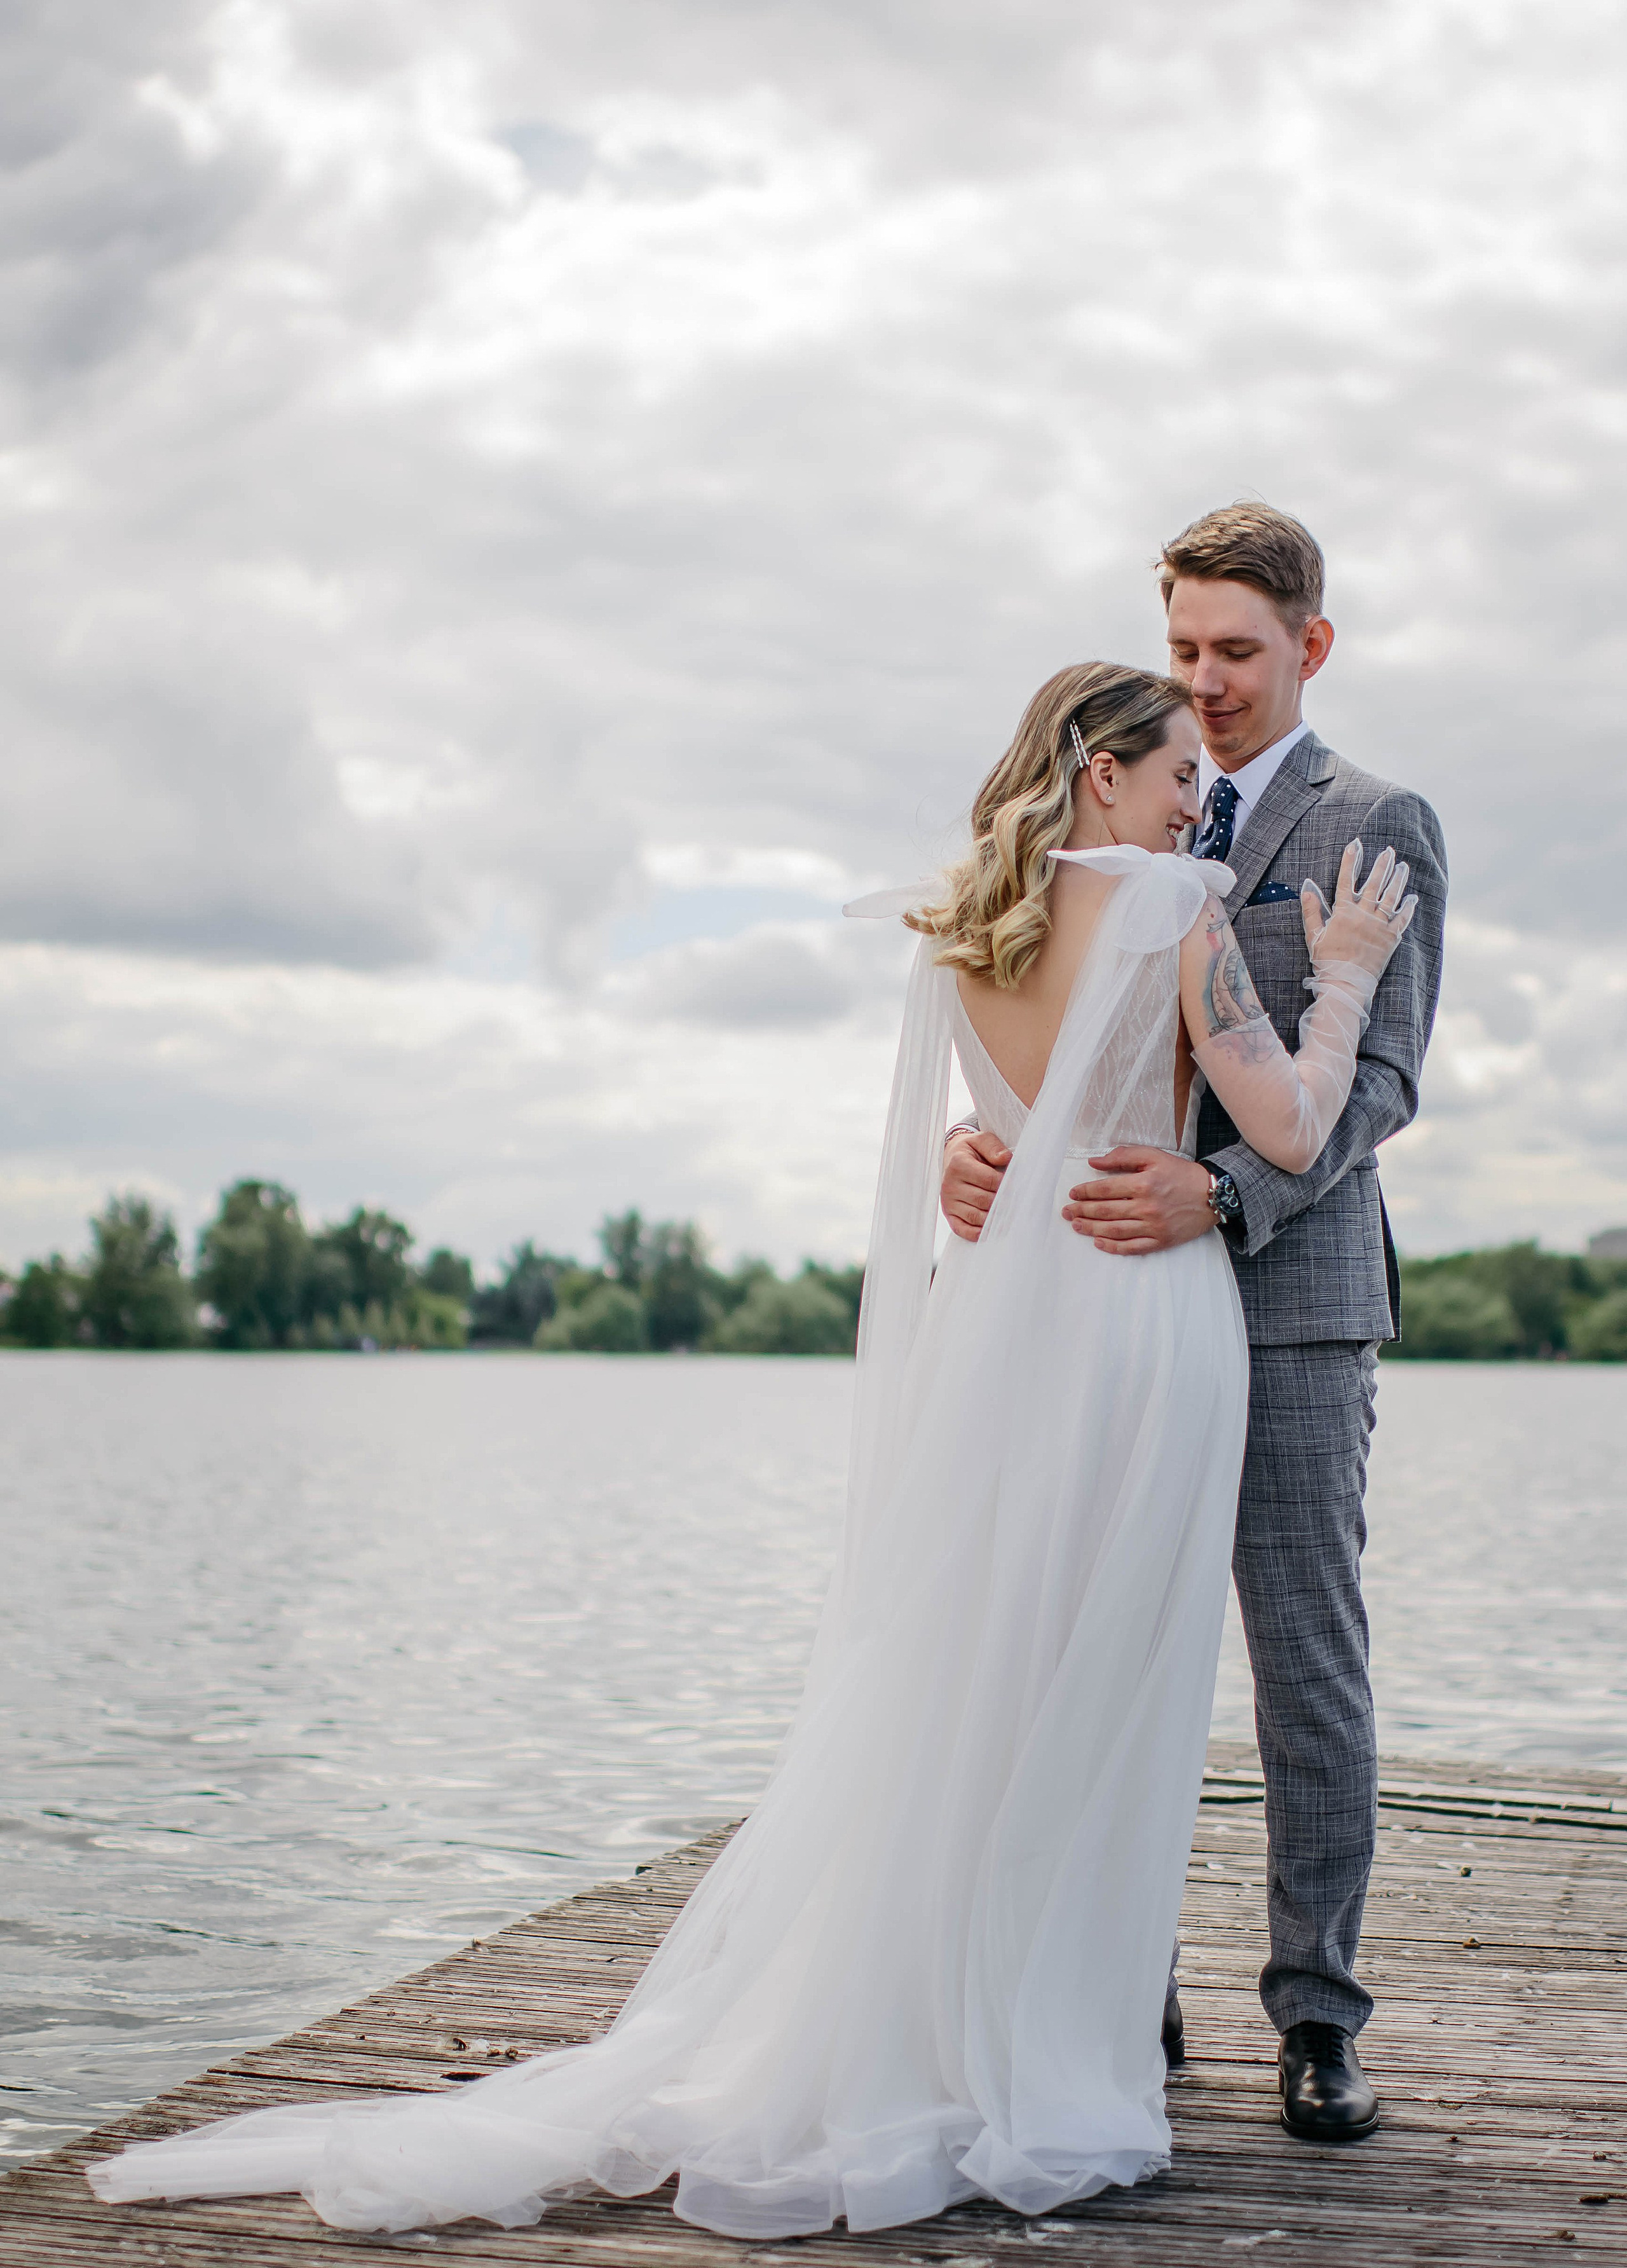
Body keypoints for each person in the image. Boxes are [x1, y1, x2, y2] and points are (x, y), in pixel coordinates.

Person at [88, 651, 1417, 2238]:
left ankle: (982, 2011)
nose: (1196, 785)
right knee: (1115, 1679)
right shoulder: (1163, 903)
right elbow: (1286, 1124)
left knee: (990, 1669)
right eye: (1169, 767)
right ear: (1097, 771)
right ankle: (1054, 2033)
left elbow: (984, 1136)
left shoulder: (958, 926)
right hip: (1139, 1319)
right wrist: (1337, 974)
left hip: (1013, 1320)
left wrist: (976, 1161)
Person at [941, 503, 1448, 2140]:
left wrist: (1216, 1197)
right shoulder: (1103, 833)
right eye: (1182, 650)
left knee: (1301, 1662)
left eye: (1236, 649)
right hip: (1091, 1303)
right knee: (1096, 1644)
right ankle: (1118, 1986)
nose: (1207, 680)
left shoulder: (1378, 820)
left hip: (1290, 1311)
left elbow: (1370, 1088)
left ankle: (1315, 2015)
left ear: (1309, 644)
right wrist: (982, 1159)